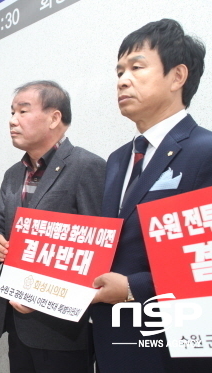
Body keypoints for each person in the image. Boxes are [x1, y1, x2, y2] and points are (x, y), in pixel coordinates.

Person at [90, 19, 212, 373]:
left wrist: (134, 287)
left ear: (177, 77)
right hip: (113, 339)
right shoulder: (117, 159)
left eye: (136, 67)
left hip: (169, 346)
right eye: (119, 71)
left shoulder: (204, 152)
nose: (122, 80)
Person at [0, 81, 106, 373]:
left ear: (55, 118)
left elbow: (98, 250)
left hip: (62, 329)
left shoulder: (86, 166)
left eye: (23, 111)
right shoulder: (13, 174)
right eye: (12, 112)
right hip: (15, 318)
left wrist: (44, 297)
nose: (12, 120)